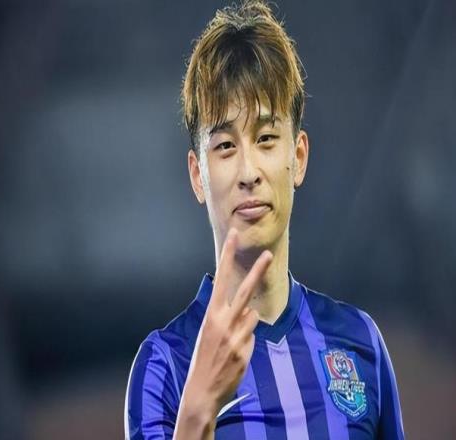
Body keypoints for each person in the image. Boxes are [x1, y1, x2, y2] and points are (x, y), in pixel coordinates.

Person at [124, 1, 404, 439]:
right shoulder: (165, 366)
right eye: (225, 146)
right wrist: (198, 408)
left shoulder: (359, 342)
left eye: (267, 138)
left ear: (299, 157)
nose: (249, 171)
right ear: (198, 176)